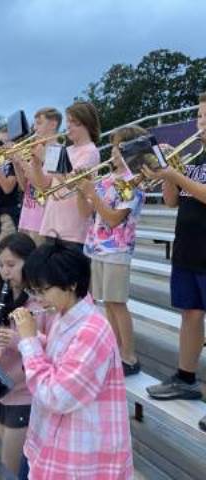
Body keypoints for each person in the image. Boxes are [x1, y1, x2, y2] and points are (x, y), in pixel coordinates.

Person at [14, 240, 133, 479]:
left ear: (71, 284)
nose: (37, 298)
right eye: (34, 291)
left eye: (43, 290)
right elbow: (63, 359)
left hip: (79, 454)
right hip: (58, 440)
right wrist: (36, 338)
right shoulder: (65, 314)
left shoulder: (92, 330)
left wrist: (29, 342)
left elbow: (57, 396)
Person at [141, 93, 206, 425]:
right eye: (199, 117)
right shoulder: (195, 156)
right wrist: (166, 173)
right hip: (188, 249)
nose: (201, 124)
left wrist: (177, 175)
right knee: (190, 315)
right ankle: (185, 377)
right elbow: (171, 201)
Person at [76, 125, 147, 376]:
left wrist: (92, 194)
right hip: (96, 248)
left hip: (117, 250)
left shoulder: (134, 183)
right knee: (106, 303)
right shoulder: (106, 180)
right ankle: (115, 351)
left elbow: (114, 219)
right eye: (114, 146)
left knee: (118, 303)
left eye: (118, 147)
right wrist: (79, 187)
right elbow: (85, 212)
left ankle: (129, 356)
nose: (113, 152)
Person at [0, 233, 53, 477]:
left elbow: (53, 346)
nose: (5, 272)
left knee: (10, 467)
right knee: (17, 462)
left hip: (24, 394)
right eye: (1, 265)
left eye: (12, 265)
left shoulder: (41, 302)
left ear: (29, 262)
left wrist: (18, 340)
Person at [33, 101, 101, 250]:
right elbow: (44, 185)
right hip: (51, 224)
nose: (68, 126)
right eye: (68, 121)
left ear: (86, 124)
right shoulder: (66, 149)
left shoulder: (90, 151)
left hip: (72, 231)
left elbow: (72, 183)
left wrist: (45, 159)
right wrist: (36, 163)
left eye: (73, 122)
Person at [12, 108, 63, 246]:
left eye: (39, 123)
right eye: (35, 124)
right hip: (27, 217)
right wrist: (16, 163)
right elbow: (24, 187)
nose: (35, 128)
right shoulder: (37, 149)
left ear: (53, 124)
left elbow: (43, 187)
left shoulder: (56, 152)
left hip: (42, 223)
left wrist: (23, 162)